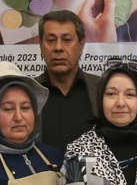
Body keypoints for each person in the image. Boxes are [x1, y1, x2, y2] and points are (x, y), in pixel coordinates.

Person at [35, 10, 101, 149]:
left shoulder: (101, 89)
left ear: (81, 44)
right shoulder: (29, 92)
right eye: (51, 40)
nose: (58, 48)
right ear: (41, 45)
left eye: (67, 40)